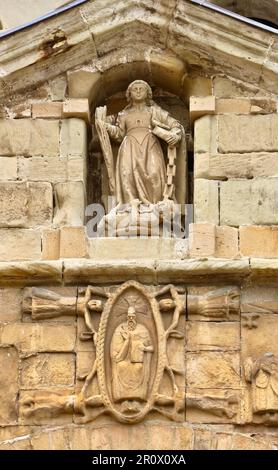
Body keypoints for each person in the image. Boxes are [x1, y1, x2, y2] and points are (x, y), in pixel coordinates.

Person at [96, 80, 183, 205]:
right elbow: (119, 134)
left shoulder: (154, 111)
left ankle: (155, 205)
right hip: (129, 146)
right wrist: (106, 127)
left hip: (150, 144)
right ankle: (130, 204)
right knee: (127, 174)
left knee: (154, 174)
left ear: (147, 93)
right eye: (134, 89)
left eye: (141, 89)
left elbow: (174, 124)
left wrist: (175, 134)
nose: (137, 91)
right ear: (129, 94)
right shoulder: (123, 114)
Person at [110, 307, 154, 402]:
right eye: (129, 316)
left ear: (135, 317)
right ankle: (121, 395)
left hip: (138, 360)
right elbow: (115, 354)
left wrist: (144, 349)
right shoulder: (119, 329)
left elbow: (152, 347)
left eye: (132, 316)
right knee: (121, 365)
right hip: (123, 359)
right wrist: (126, 341)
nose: (131, 319)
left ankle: (139, 394)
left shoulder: (143, 329)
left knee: (138, 367)